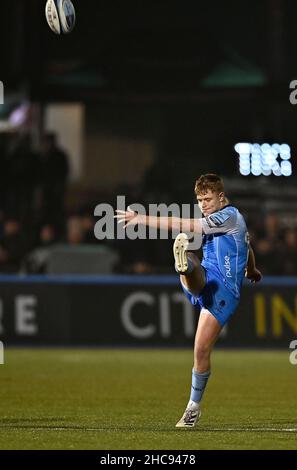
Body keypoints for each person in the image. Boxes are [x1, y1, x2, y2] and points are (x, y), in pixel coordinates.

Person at [115, 174, 262, 428]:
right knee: (192, 265)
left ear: (221, 197)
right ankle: (183, 264)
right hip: (207, 274)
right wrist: (252, 269)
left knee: (201, 351)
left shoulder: (229, 216)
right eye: (199, 200)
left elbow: (181, 222)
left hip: (224, 291)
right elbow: (247, 245)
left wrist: (141, 219)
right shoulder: (231, 220)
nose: (203, 204)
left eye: (207, 199)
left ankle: (193, 408)